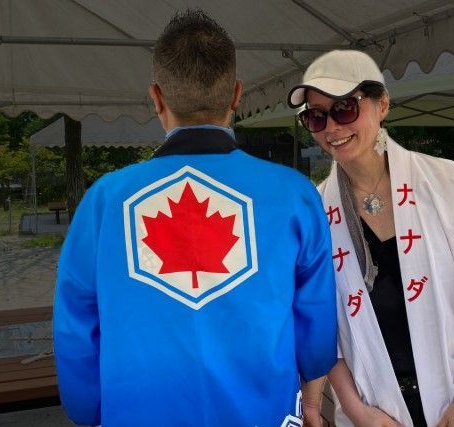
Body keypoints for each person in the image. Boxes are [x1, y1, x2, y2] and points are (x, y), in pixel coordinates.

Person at [53, 9, 337, 427]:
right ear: (237, 95)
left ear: (156, 98)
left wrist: (88, 409)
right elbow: (315, 318)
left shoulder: (104, 201)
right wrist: (311, 404)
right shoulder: (293, 194)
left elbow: (76, 323)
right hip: (262, 412)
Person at [288, 50, 454, 427]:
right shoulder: (316, 208)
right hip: (382, 406)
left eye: (344, 109)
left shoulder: (444, 181)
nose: (331, 128)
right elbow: (323, 326)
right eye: (315, 116)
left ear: (382, 104)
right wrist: (358, 412)